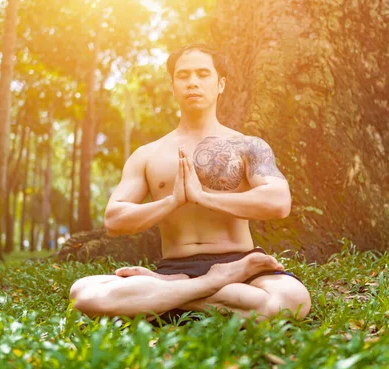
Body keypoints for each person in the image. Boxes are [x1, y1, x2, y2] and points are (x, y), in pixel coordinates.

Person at [69, 44, 311, 325]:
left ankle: (164, 297)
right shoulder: (147, 154)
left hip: (242, 266)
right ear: (172, 86)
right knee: (83, 292)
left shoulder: (248, 146)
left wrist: (202, 197)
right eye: (183, 76)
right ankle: (208, 288)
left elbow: (278, 202)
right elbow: (115, 220)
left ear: (220, 84)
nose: (193, 82)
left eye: (203, 74)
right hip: (177, 268)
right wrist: (173, 201)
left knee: (294, 299)